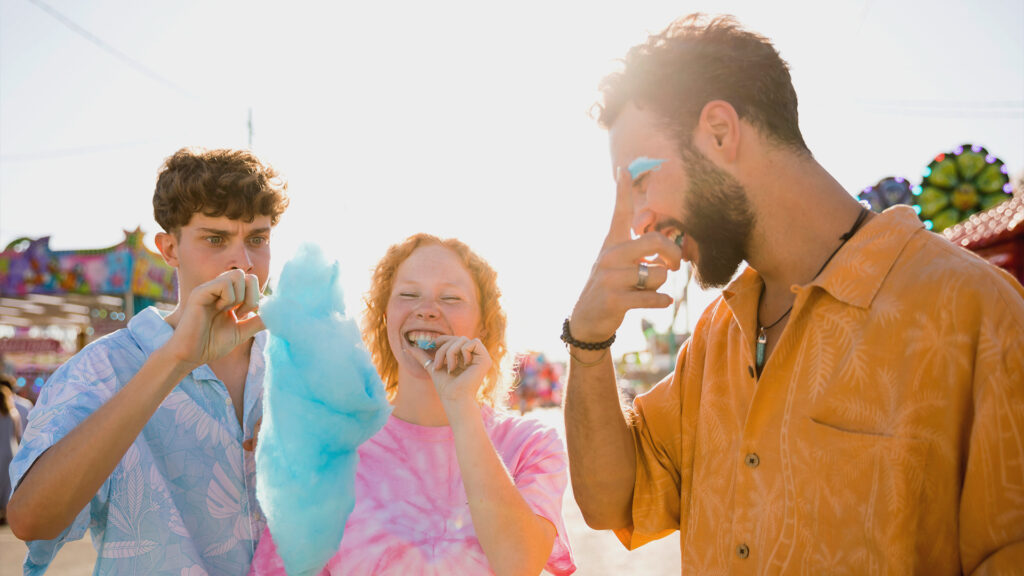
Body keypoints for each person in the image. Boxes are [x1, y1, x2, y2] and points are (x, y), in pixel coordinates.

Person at [563, 13, 1024, 575]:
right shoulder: (714, 337)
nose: (638, 220)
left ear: (719, 132)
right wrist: (587, 341)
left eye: (640, 179)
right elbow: (613, 502)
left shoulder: (975, 310)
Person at [7, 147, 290, 574]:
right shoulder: (103, 368)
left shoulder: (294, 363)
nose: (243, 262)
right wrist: (173, 361)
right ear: (170, 249)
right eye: (214, 239)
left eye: (258, 239)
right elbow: (32, 521)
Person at [249, 233, 575, 575]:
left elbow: (519, 565)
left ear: (484, 324)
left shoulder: (531, 445)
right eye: (408, 294)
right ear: (384, 317)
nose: (427, 310)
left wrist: (459, 405)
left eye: (451, 298)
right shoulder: (332, 452)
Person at [1, 374, 24, 525]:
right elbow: (18, 435)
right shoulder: (13, 414)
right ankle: (6, 513)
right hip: (11, 451)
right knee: (8, 485)